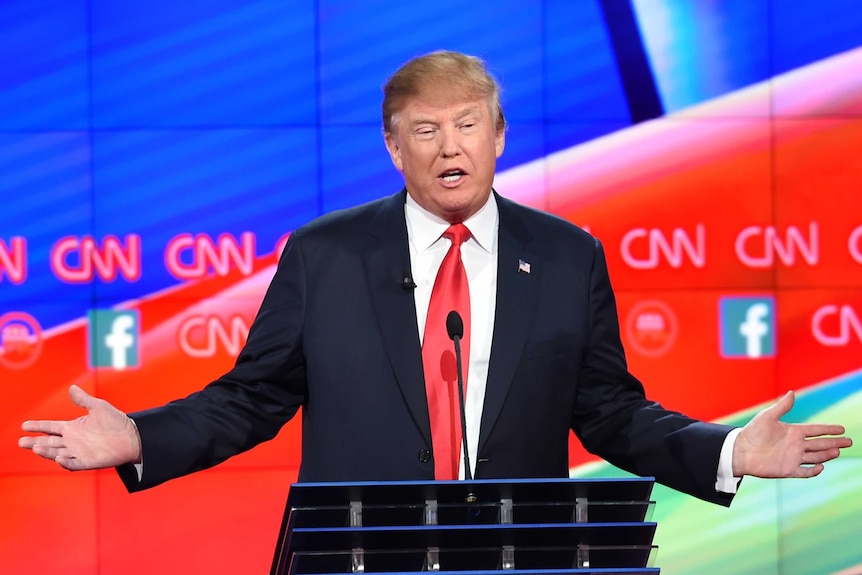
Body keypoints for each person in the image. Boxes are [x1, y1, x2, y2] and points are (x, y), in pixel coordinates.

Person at [19, 51, 851, 506]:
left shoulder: (566, 254)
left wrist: (731, 449)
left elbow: (609, 413)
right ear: (393, 147)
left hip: (518, 557)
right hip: (353, 555)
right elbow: (253, 397)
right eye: (426, 130)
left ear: (499, 138)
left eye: (467, 126)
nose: (449, 147)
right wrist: (142, 438)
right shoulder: (326, 254)